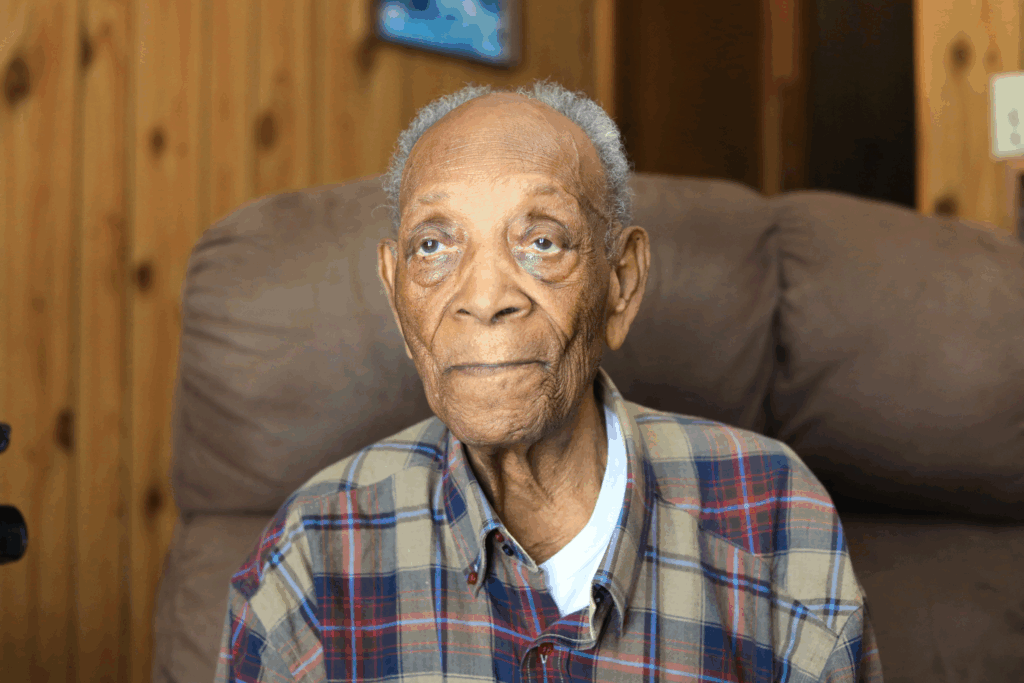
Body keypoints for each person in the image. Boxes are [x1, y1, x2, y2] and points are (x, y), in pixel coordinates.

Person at [214, 81, 883, 683]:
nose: (484, 296)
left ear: (620, 284)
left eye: (541, 242)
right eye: (433, 246)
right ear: (396, 297)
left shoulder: (772, 512)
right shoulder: (308, 557)